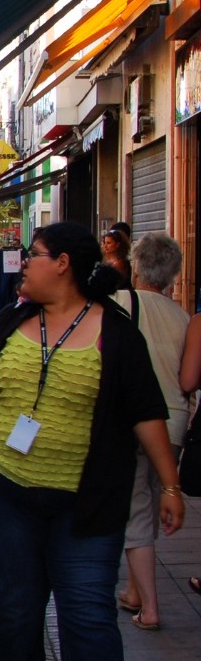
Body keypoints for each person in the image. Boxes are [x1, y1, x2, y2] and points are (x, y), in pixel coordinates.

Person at [0, 222, 185, 661]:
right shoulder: (13, 320)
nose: (24, 263)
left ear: (63, 264)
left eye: (35, 254)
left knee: (88, 609)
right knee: (16, 601)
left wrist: (170, 485)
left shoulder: (117, 332)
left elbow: (146, 413)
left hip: (88, 502)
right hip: (6, 492)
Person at [109, 233, 189, 631]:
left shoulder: (119, 303)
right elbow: (188, 379)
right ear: (172, 275)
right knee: (153, 499)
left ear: (136, 266)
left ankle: (149, 606)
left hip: (133, 418)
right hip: (173, 420)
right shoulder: (183, 317)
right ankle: (134, 591)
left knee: (135, 507)